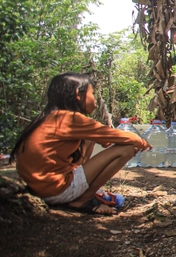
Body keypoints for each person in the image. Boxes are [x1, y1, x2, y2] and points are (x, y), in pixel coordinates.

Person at [13, 73, 148, 214]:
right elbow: (121, 137)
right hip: (54, 190)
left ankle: (81, 190)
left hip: (37, 187)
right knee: (126, 149)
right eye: (93, 94)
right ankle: (84, 199)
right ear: (79, 93)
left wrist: (105, 139)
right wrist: (142, 142)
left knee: (90, 137)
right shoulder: (69, 118)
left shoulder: (50, 117)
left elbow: (104, 137)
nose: (95, 100)